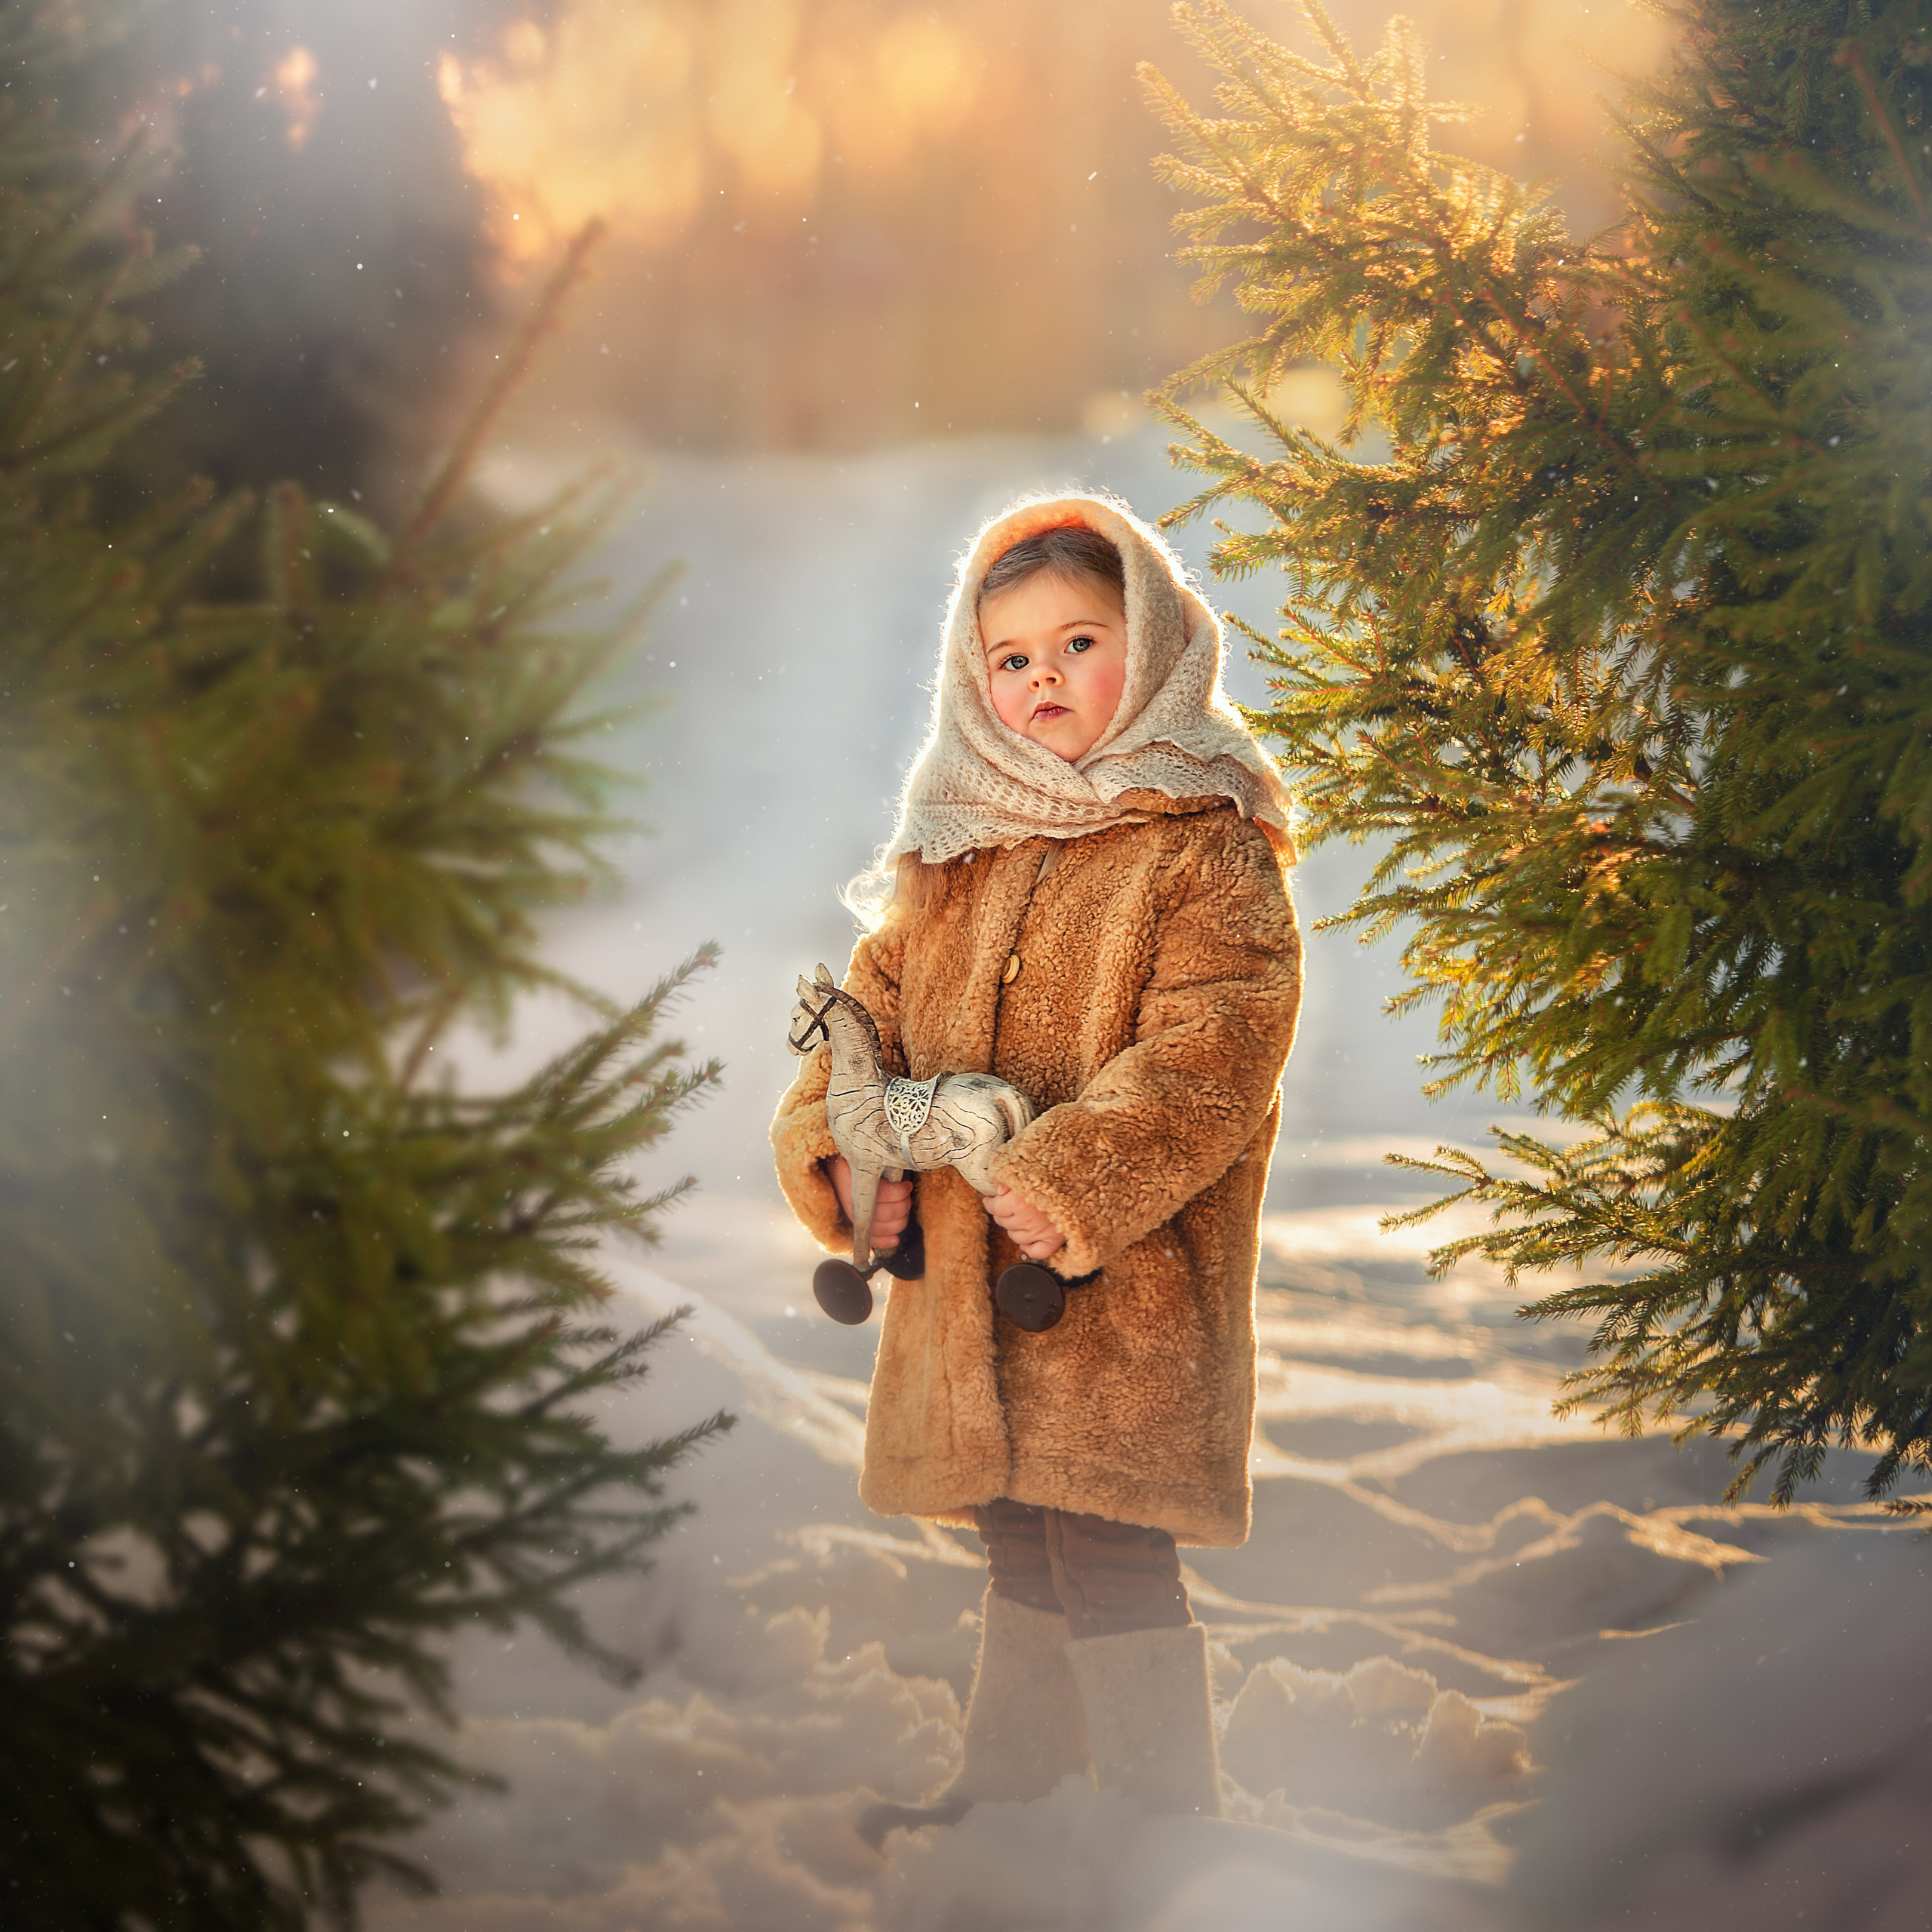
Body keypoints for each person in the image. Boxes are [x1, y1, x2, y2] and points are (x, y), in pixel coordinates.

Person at [770, 491, 1302, 1843]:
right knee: (1014, 1528)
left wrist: (1066, 1177)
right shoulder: (955, 848)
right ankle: (1014, 1798)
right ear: (972, 675)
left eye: (1079, 643)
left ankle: (1156, 1819)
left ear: (1162, 647)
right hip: (964, 1288)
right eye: (1011, 658)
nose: (1042, 679)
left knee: (1110, 1541)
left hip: (1117, 1292)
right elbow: (866, 1027)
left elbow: (1210, 1055)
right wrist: (842, 1151)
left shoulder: (1204, 841)